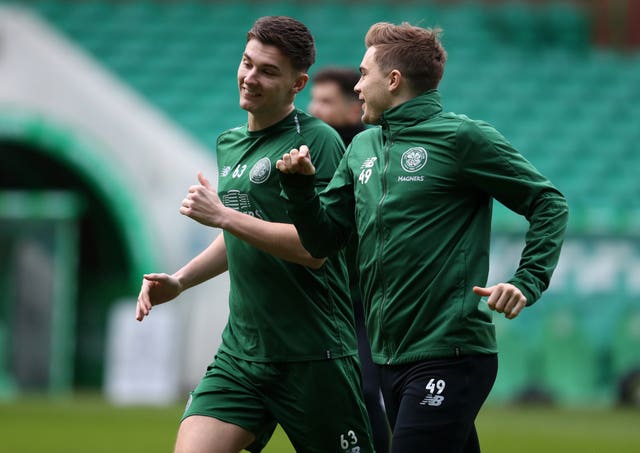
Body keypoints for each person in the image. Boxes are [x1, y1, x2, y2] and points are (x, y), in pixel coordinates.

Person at [277, 22, 569, 453]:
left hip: (450, 353)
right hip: (388, 358)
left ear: (393, 80)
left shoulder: (462, 138)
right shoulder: (361, 149)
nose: (356, 87)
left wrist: (527, 281)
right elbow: (323, 241)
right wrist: (301, 191)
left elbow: (548, 203)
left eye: (363, 74)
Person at [136, 16, 374, 453]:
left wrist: (224, 216)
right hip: (242, 353)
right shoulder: (229, 142)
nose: (250, 77)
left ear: (297, 83)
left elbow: (312, 249)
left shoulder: (318, 141)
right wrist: (181, 279)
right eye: (247, 63)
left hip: (313, 356)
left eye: (268, 71)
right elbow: (242, 236)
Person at [309, 67, 390, 453]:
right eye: (313, 100)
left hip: (363, 297)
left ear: (354, 106)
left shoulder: (371, 153)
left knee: (364, 386)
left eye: (325, 101)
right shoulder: (308, 152)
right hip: (320, 296)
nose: (314, 109)